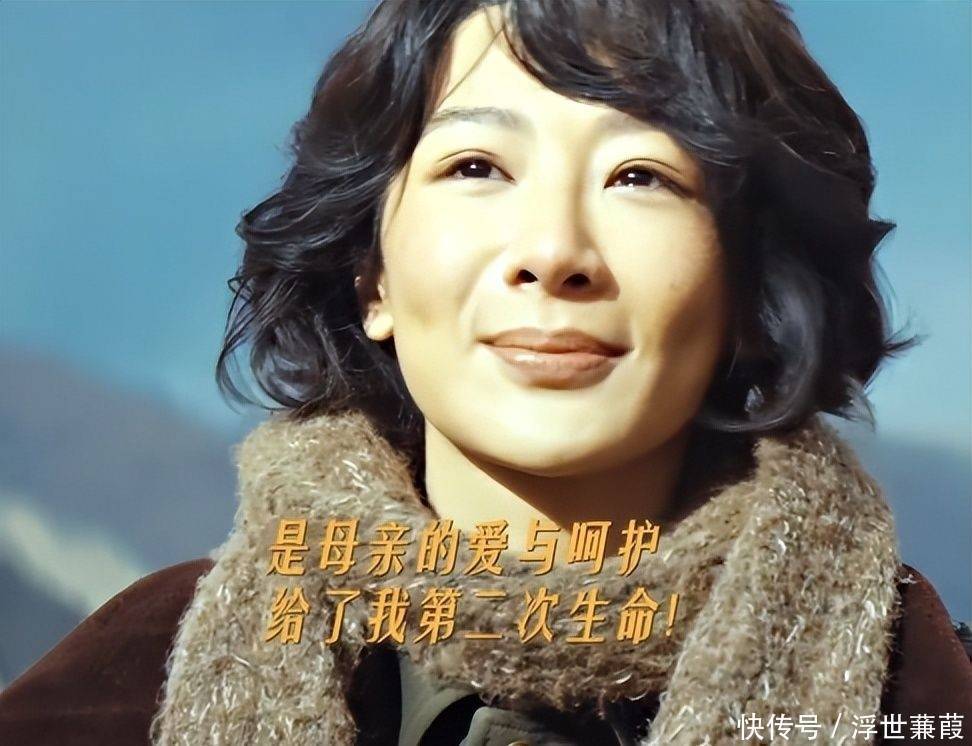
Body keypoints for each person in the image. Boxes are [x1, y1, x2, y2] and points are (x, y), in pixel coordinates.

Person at [1, 1, 969, 744]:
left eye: (641, 176)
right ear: (372, 275)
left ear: (754, 297)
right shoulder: (112, 694)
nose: (553, 252)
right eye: (477, 167)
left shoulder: (921, 700)